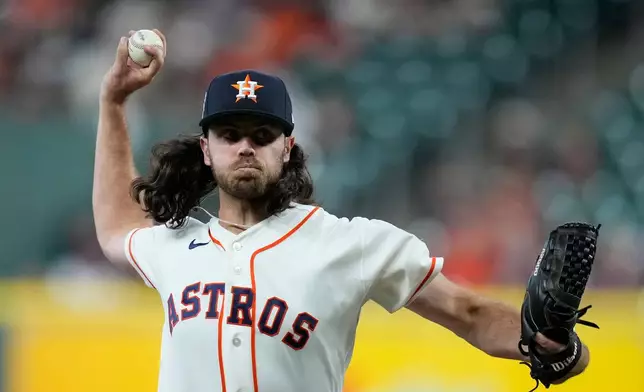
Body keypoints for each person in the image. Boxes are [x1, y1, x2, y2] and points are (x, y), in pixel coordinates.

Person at [93, 30, 590, 392]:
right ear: (206, 149)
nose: (246, 146)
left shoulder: (350, 243)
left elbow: (469, 312)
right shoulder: (176, 247)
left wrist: (544, 343)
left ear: (287, 147)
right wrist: (113, 102)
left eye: (262, 135)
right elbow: (117, 224)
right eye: (230, 135)